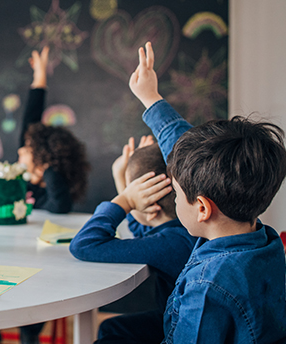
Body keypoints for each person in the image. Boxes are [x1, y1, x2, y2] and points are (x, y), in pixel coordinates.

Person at [130, 42, 286, 343]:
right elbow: (191, 157)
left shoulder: (207, 288)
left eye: (176, 194)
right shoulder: (264, 242)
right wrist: (151, 99)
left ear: (202, 208)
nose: (174, 200)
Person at [69, 139, 197, 344]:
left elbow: (84, 244)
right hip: (180, 320)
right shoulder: (181, 232)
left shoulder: (171, 244)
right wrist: (121, 178)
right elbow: (141, 226)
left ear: (150, 206)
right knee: (111, 327)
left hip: (180, 332)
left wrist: (127, 200)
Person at [18, 46, 90, 214]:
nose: (20, 150)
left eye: (27, 148)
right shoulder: (23, 177)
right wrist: (39, 77)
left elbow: (60, 207)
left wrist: (47, 170)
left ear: (42, 156)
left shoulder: (53, 188)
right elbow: (31, 116)